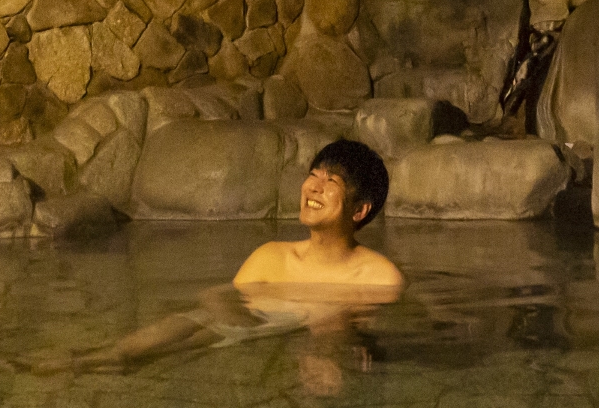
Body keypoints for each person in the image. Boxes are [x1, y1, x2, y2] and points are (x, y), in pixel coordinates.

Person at [35, 138, 402, 385]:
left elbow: (371, 340)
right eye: (312, 176)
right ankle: (102, 356)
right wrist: (228, 309)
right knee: (198, 320)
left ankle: (98, 361)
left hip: (285, 333)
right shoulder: (271, 256)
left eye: (331, 181)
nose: (312, 187)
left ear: (360, 209)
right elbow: (219, 300)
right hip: (251, 324)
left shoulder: (381, 277)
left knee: (227, 327)